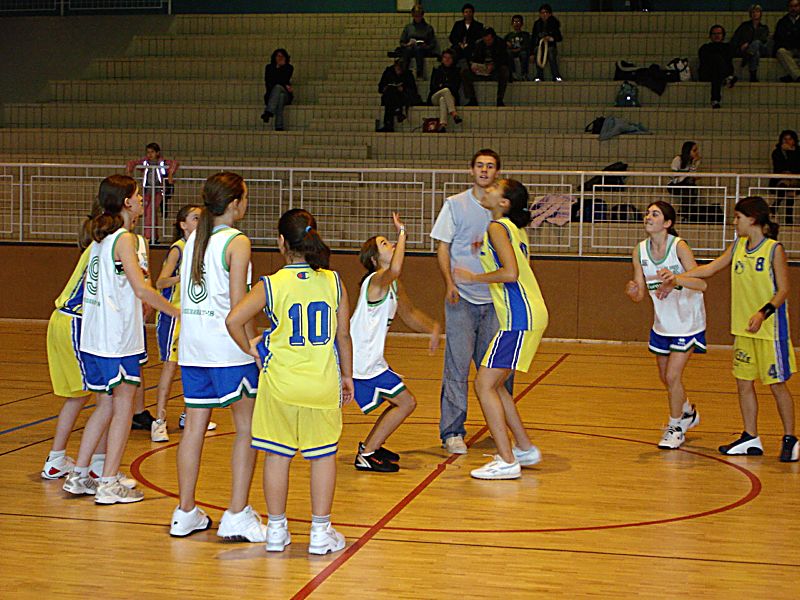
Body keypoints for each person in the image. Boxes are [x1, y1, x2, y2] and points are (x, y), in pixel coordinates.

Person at [226, 208, 354, 555]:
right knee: (323, 457)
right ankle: (320, 533)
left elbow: (234, 320)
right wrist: (347, 375)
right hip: (321, 382)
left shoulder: (271, 283)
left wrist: (251, 349)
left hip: (280, 384)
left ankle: (276, 531)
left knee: (277, 456)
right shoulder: (333, 281)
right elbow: (343, 335)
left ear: (281, 242)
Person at [62, 175, 179, 504]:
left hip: (95, 337)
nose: (142, 200)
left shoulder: (101, 238)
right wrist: (177, 312)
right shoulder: (124, 239)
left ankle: (80, 473)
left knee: (104, 406)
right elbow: (142, 289)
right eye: (138, 195)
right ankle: (109, 481)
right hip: (115, 338)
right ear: (126, 202)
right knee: (123, 409)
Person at [665, 197, 798, 462]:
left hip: (770, 330)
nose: (734, 222)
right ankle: (751, 437)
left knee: (777, 384)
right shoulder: (737, 246)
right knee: (743, 384)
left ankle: (790, 438)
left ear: (752, 219)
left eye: (738, 217)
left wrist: (762, 313)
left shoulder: (773, 249)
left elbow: (783, 289)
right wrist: (677, 278)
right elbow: (710, 269)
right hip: (743, 329)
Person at [170, 172, 265, 540]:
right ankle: (237, 513)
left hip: (193, 348)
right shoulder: (237, 241)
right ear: (235, 203)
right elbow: (240, 304)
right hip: (228, 349)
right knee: (247, 429)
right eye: (246, 197)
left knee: (194, 429)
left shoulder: (195, 237)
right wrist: (251, 345)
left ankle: (185, 511)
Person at [452, 179, 546, 480]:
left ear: (504, 203)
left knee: (483, 385)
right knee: (496, 385)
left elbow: (510, 273)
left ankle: (506, 460)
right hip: (525, 314)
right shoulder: (511, 228)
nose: (488, 189)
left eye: (495, 188)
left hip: (520, 316)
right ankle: (524, 448)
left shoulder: (497, 228)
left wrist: (472, 278)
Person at [430, 148, 513, 455]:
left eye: (490, 166)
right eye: (479, 165)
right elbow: (443, 247)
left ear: (497, 172)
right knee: (457, 366)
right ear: (471, 170)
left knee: (498, 369)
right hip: (462, 299)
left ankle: (500, 428)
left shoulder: (502, 208)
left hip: (495, 300)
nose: (484, 170)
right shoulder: (455, 204)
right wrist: (450, 282)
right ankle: (452, 431)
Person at [351, 213, 441, 473]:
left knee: (401, 402)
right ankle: (367, 453)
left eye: (390, 241)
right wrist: (402, 233)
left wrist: (432, 328)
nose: (390, 244)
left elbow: (409, 313)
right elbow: (396, 268)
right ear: (374, 259)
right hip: (361, 359)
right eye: (384, 244)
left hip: (371, 357)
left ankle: (371, 447)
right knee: (406, 402)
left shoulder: (392, 284)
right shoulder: (376, 280)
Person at [624, 201, 706, 450]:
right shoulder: (639, 250)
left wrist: (675, 280)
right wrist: (633, 292)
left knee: (672, 376)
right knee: (665, 378)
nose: (648, 217)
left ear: (667, 223)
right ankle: (687, 411)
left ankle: (675, 427)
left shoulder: (678, 246)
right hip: (662, 324)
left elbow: (701, 283)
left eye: (655, 214)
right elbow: (640, 294)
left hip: (688, 322)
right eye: (648, 213)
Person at [151, 204, 208, 442]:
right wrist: (181, 277)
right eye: (195, 218)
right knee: (170, 368)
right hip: (173, 316)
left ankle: (187, 415)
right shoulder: (179, 249)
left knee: (193, 366)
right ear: (183, 224)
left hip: (193, 317)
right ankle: (159, 421)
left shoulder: (203, 248)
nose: (199, 222)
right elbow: (160, 282)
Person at [125, 142, 178, 242]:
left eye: (152, 152)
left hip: (158, 190)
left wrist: (170, 174)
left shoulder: (163, 162)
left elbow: (174, 163)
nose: (150, 154)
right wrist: (129, 172)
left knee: (150, 211)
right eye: (148, 152)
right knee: (147, 212)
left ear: (157, 153)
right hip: (147, 190)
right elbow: (131, 163)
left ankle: (149, 236)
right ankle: (152, 235)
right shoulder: (145, 162)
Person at [461, 28, 511, 107]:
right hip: (482, 71)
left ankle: (499, 99)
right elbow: (475, 58)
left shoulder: (501, 43)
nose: (487, 42)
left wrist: (494, 65)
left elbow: (504, 59)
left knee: (504, 71)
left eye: (489, 40)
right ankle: (472, 99)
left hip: (495, 72)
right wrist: (474, 66)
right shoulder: (479, 44)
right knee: (465, 72)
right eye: (485, 40)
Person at [698, 25, 737, 108]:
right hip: (707, 73)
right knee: (716, 60)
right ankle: (728, 77)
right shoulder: (705, 48)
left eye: (719, 33)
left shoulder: (727, 47)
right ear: (710, 36)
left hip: (718, 74)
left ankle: (715, 100)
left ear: (723, 35)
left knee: (716, 73)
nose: (717, 35)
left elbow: (728, 61)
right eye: (714, 33)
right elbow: (704, 61)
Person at [730, 4, 771, 82]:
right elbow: (735, 38)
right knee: (756, 53)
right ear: (750, 14)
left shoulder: (764, 28)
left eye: (757, 12)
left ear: (760, 14)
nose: (755, 14)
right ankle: (753, 75)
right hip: (749, 50)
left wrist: (748, 44)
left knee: (757, 43)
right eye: (753, 12)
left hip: (761, 49)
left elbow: (762, 40)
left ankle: (747, 57)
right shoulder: (744, 26)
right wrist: (740, 46)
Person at [377, 58, 419, 133]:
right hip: (390, 96)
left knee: (391, 96)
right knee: (391, 92)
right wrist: (385, 88)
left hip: (401, 97)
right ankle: (398, 111)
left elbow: (413, 90)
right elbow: (381, 87)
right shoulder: (388, 72)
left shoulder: (408, 75)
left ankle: (389, 123)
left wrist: (403, 89)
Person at [427, 49, 462, 133]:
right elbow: (433, 86)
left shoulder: (456, 71)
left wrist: (442, 85)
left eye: (449, 58)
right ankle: (454, 114)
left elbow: (456, 87)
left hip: (450, 97)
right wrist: (446, 86)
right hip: (435, 96)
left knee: (443, 99)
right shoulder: (437, 70)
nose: (447, 60)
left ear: (453, 60)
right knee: (446, 90)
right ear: (442, 59)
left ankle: (442, 125)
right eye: (445, 57)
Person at [770, 129, 800, 224]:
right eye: (785, 139)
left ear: (794, 140)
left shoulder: (798, 152)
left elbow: (797, 166)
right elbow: (778, 167)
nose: (787, 141)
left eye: (790, 139)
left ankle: (775, 206)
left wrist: (791, 153)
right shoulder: (777, 152)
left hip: (796, 179)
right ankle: (788, 219)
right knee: (787, 186)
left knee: (790, 186)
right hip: (781, 179)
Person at [399, 4, 437, 79]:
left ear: (422, 15)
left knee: (418, 49)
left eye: (419, 15)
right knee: (408, 50)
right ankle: (404, 72)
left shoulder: (428, 28)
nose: (417, 18)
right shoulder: (408, 27)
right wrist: (407, 44)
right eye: (415, 16)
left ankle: (419, 73)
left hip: (423, 49)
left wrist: (426, 46)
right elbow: (402, 42)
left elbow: (433, 43)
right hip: (410, 48)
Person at [261, 48, 293, 131]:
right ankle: (279, 126)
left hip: (286, 94)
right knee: (280, 97)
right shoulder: (269, 68)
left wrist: (281, 68)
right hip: (272, 95)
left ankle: (269, 111)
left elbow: (284, 79)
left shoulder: (289, 68)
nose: (280, 58)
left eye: (282, 56)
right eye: (278, 56)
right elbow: (269, 82)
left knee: (278, 87)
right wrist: (277, 68)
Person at [668, 141, 700, 218]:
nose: (696, 152)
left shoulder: (693, 161)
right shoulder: (678, 159)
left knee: (692, 188)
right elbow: (673, 176)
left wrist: (694, 163)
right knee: (687, 189)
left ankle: (686, 211)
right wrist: (685, 175)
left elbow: (693, 174)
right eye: (694, 150)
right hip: (674, 184)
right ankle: (685, 212)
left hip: (687, 184)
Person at [532, 4, 563, 82]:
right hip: (540, 46)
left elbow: (559, 38)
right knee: (537, 52)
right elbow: (533, 38)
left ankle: (556, 75)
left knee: (551, 53)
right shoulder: (537, 24)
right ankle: (539, 76)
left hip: (550, 46)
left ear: (550, 14)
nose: (544, 14)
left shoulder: (554, 24)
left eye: (546, 12)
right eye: (542, 13)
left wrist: (551, 38)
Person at [775, 0, 800, 83]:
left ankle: (792, 76)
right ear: (788, 8)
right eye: (791, 6)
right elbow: (779, 38)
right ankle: (797, 76)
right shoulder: (782, 22)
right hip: (788, 49)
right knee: (780, 52)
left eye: (796, 6)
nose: (793, 9)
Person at [505, 14, 532, 81]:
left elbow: (526, 45)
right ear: (512, 24)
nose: (516, 24)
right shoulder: (509, 35)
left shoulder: (525, 35)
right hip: (512, 52)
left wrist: (518, 49)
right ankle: (513, 74)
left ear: (522, 24)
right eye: (515, 22)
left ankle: (524, 74)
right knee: (508, 53)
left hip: (521, 51)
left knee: (524, 54)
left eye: (518, 22)